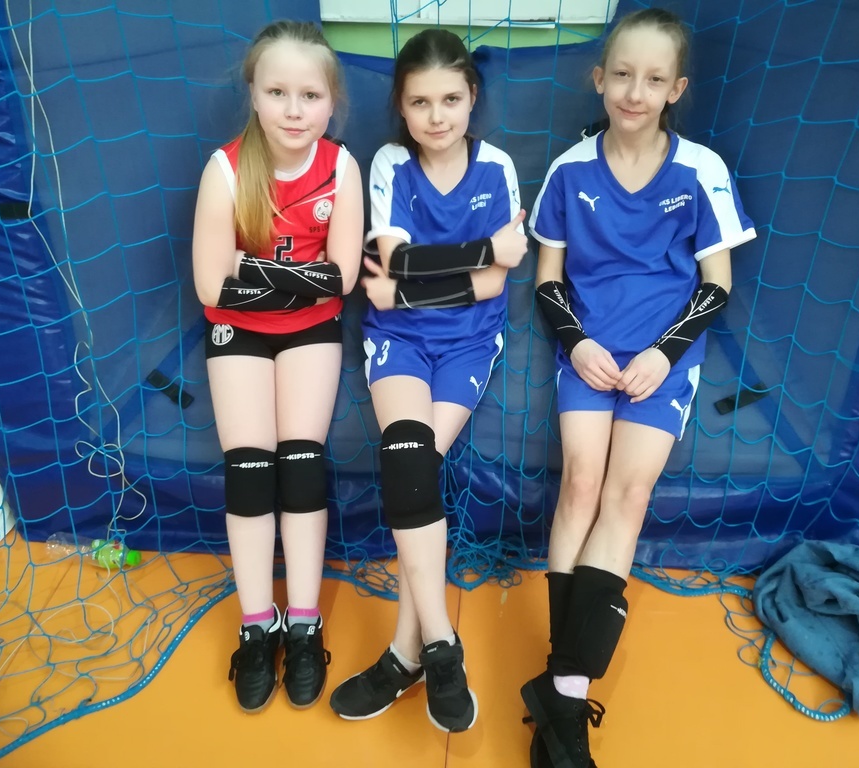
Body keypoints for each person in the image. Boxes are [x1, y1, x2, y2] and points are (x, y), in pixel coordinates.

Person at [522, 8, 756, 766]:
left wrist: (664, 353)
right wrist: (579, 342)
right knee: (581, 485)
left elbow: (717, 285)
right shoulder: (569, 170)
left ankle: (561, 693)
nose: (634, 91)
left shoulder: (701, 169)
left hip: (665, 359)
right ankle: (563, 687)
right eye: (622, 74)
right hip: (589, 352)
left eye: (654, 79)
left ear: (676, 89)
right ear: (599, 78)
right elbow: (547, 280)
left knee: (626, 497)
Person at [327, 28, 528, 733]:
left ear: (472, 97)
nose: (436, 116)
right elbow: (390, 274)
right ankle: (442, 642)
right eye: (420, 102)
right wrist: (478, 254)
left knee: (411, 469)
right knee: (409, 458)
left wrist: (416, 281)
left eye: (450, 99)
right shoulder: (389, 163)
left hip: (470, 344)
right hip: (400, 342)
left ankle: (404, 655)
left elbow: (493, 284)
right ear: (401, 107)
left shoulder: (496, 167)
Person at [191, 19, 363, 714]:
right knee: (249, 470)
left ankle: (305, 622)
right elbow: (210, 287)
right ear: (254, 94)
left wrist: (250, 267)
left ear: (331, 101)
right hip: (238, 333)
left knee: (300, 464)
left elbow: (342, 278)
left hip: (310, 335)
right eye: (278, 93)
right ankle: (257, 624)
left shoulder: (341, 167)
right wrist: (300, 277)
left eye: (310, 95)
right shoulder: (226, 169)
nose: (294, 110)